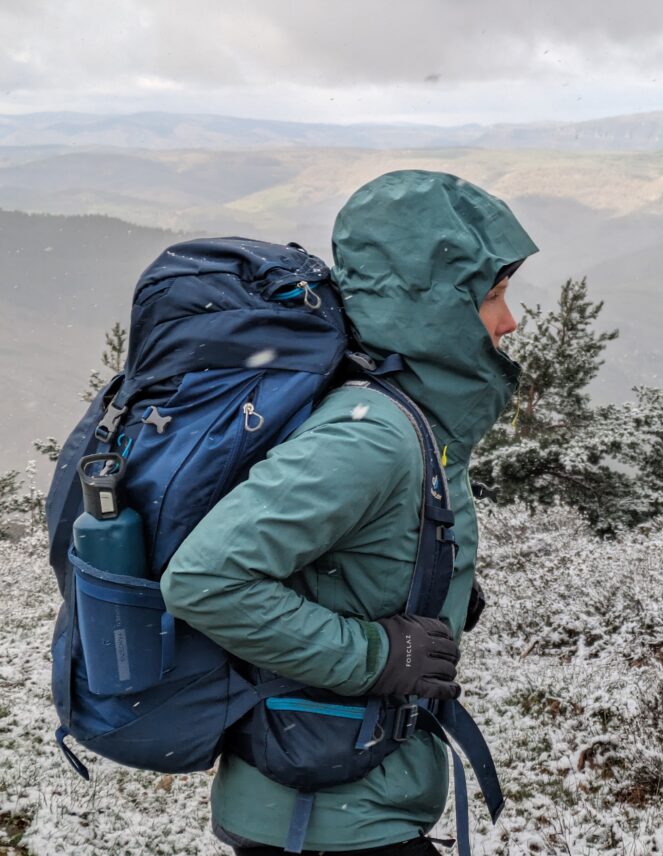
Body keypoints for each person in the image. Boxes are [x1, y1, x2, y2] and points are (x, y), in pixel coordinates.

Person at [160, 170, 539, 855]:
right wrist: (378, 656)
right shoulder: (370, 435)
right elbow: (204, 581)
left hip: (344, 793)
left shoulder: (400, 412)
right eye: (492, 295)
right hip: (321, 818)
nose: (510, 320)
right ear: (433, 311)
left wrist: (432, 584)